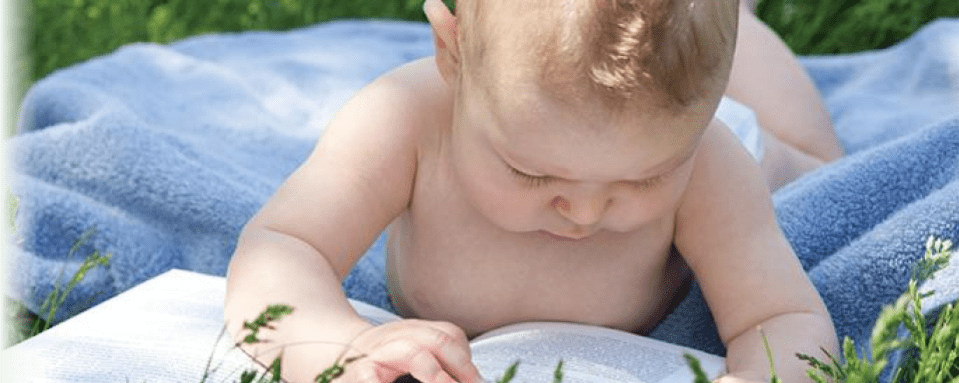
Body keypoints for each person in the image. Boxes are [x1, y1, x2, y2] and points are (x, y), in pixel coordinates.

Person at [224, 0, 842, 382]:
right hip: (652, 131)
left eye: (642, 182)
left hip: (697, 130)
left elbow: (783, 315)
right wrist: (341, 349)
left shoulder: (708, 163)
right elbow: (282, 247)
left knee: (817, 165)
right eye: (532, 173)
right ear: (453, 55)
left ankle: (739, 23)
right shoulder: (408, 124)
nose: (586, 210)